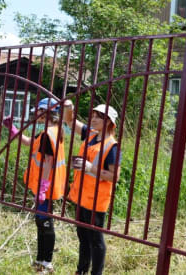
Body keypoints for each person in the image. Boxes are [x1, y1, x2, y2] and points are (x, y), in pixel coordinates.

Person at [3, 98, 66, 273]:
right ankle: (40, 260)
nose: (35, 113)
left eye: (38, 110)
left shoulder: (49, 134)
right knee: (41, 221)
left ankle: (47, 263)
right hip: (43, 185)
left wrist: (43, 188)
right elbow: (29, 142)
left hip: (45, 187)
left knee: (45, 222)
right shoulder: (50, 131)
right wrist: (13, 129)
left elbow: (47, 162)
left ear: (46, 112)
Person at [64, 101, 121, 275]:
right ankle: (81, 271)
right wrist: (69, 108)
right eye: (94, 115)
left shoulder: (112, 146)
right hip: (81, 195)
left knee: (96, 239)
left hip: (97, 199)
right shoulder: (90, 134)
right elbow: (71, 123)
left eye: (98, 117)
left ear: (109, 122)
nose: (93, 119)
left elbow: (114, 177)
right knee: (82, 236)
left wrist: (90, 168)